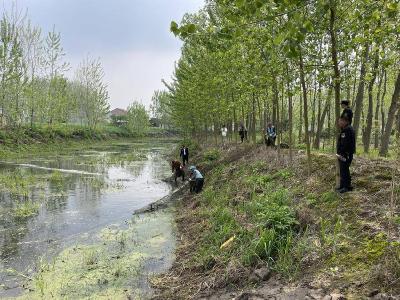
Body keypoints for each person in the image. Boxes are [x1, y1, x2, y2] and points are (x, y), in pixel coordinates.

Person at [336, 116, 356, 193]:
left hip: (345, 154)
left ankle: (346, 187)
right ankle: (344, 186)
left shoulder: (347, 130)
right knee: (344, 169)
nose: (339, 123)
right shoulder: (348, 129)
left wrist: (341, 153)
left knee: (344, 170)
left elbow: (345, 143)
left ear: (345, 121)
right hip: (345, 153)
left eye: (340, 121)